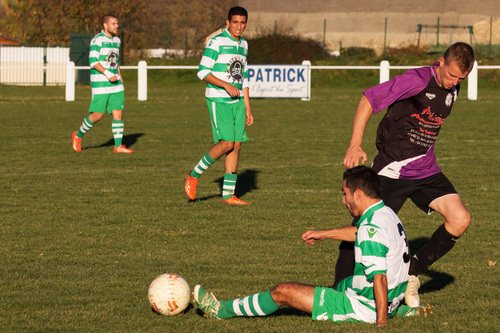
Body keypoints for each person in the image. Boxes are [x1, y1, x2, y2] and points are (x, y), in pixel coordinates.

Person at [194, 166, 433, 327]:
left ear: (358, 194)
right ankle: (400, 310)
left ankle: (220, 310)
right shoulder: (385, 213)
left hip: (364, 307)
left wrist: (381, 323)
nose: (343, 199)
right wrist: (325, 234)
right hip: (391, 296)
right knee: (342, 283)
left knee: (283, 292)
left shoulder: (371, 228)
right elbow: (362, 233)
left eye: (345, 193)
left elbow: (379, 277)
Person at [339, 42, 475, 307]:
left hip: (425, 169)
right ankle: (339, 288)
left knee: (460, 218)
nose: (454, 82)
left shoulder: (453, 86)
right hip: (392, 170)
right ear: (440, 62)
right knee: (362, 230)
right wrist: (355, 143)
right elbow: (369, 99)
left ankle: (411, 272)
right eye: (451, 75)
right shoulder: (416, 80)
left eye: (461, 79)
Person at [184, 6, 253, 205]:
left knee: (236, 146)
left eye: (242, 23)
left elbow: (244, 78)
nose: (239, 27)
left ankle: (228, 195)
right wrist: (225, 84)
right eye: (235, 22)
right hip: (218, 99)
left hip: (238, 102)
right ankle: (194, 174)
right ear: (227, 23)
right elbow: (202, 72)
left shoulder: (244, 45)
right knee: (226, 144)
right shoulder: (217, 42)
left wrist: (248, 107)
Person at [72, 14, 133, 154]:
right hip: (101, 84)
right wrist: (108, 74)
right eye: (114, 24)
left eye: (117, 23)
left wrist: (120, 77)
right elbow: (93, 61)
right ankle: (78, 135)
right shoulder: (97, 40)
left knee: (118, 112)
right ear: (105, 25)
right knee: (97, 115)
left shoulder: (117, 41)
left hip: (116, 83)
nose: (117, 26)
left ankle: (118, 146)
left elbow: (115, 62)